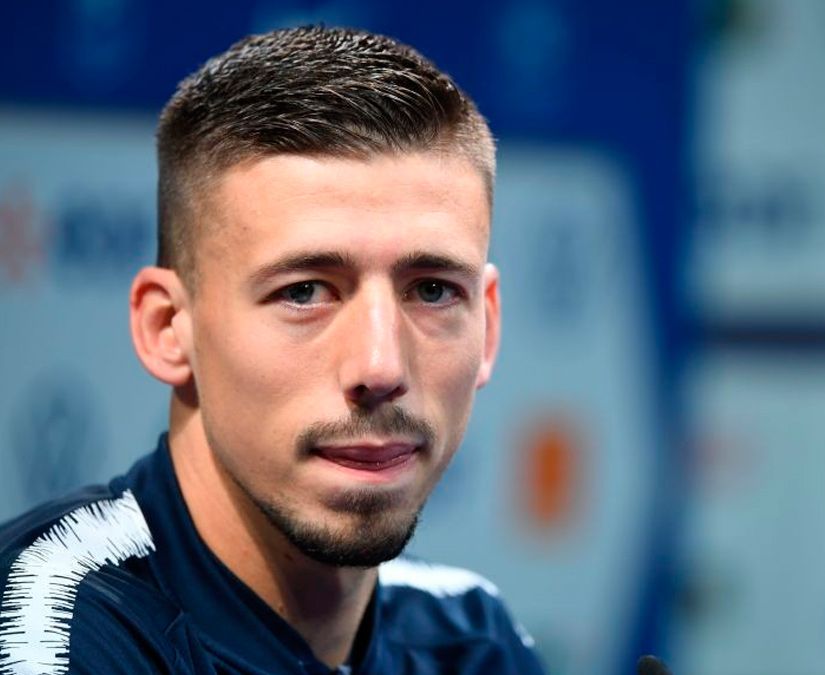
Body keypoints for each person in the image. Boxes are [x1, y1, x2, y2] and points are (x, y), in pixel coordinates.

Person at [0, 25, 545, 674]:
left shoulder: (471, 639)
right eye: (306, 290)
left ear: (487, 324)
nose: (380, 366)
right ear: (169, 327)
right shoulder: (50, 628)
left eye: (431, 290)